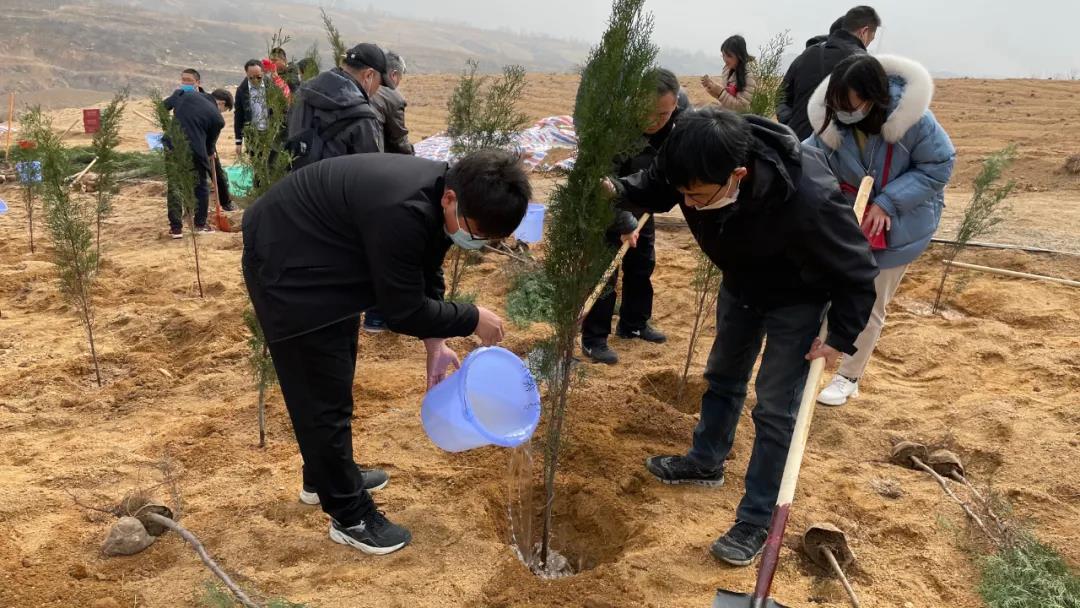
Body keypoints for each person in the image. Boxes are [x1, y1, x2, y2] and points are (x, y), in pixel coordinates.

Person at [610, 107, 878, 566]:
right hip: (741, 282)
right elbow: (652, 186)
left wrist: (839, 338)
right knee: (722, 375)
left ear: (738, 175)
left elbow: (858, 272)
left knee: (775, 406)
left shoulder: (809, 200)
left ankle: (756, 519)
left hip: (798, 296)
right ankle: (706, 461)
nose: (687, 203)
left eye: (696, 195)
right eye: (683, 193)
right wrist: (613, 191)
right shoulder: (690, 161)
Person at [242, 149, 531, 555]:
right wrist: (471, 318)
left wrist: (436, 342)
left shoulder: (443, 194)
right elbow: (403, 311)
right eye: (476, 234)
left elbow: (425, 268)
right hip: (286, 262)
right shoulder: (403, 210)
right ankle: (350, 516)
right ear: (451, 200)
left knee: (333, 378)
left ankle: (326, 475)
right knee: (320, 395)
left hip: (325, 252)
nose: (476, 244)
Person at [805, 54, 955, 406]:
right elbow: (808, 159)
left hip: (901, 224)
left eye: (850, 105)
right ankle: (817, 362)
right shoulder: (830, 121)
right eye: (836, 105)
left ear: (873, 98)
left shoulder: (914, 121)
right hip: (849, 221)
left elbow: (939, 164)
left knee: (871, 300)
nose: (843, 112)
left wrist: (888, 202)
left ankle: (848, 376)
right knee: (830, 292)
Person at [581, 68, 689, 364]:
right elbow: (602, 182)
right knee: (606, 272)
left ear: (675, 105)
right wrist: (625, 223)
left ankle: (634, 324)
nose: (655, 121)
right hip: (606, 203)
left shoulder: (681, 118)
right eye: (648, 113)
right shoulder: (614, 126)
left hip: (643, 199)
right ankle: (594, 339)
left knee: (642, 263)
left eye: (664, 114)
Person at [778, 5, 881, 140]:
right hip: (833, 147)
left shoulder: (806, 55)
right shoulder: (864, 64)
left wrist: (791, 123)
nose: (868, 45)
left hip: (795, 142)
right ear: (864, 32)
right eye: (871, 39)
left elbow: (781, 97)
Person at [285, 42, 387, 170]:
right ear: (369, 75)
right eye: (379, 83)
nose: (377, 89)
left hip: (297, 179)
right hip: (334, 182)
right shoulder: (363, 118)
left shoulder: (304, 92)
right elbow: (370, 170)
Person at [162, 70, 225, 238]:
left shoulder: (180, 95)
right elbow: (215, 132)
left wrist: (169, 128)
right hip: (196, 148)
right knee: (200, 185)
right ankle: (200, 224)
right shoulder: (214, 112)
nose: (185, 83)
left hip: (173, 144)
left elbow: (161, 108)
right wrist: (209, 151)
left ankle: (176, 229)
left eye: (188, 80)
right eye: (183, 79)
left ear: (198, 83)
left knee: (175, 185)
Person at [370, 51, 415, 155]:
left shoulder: (364, 85)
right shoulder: (393, 98)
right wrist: (412, 155)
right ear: (394, 75)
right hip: (373, 156)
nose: (399, 82)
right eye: (400, 78)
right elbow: (399, 141)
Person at [701, 35, 757, 113]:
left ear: (739, 56)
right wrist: (711, 87)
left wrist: (720, 92)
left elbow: (741, 108)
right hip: (728, 114)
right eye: (723, 55)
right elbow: (725, 99)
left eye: (729, 56)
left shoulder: (749, 76)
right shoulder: (727, 70)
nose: (725, 59)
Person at [234, 59, 269, 158]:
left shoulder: (271, 86)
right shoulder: (242, 90)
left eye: (258, 77)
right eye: (251, 77)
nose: (255, 80)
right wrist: (238, 142)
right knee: (256, 163)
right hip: (253, 136)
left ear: (263, 72)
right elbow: (239, 116)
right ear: (246, 74)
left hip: (271, 134)